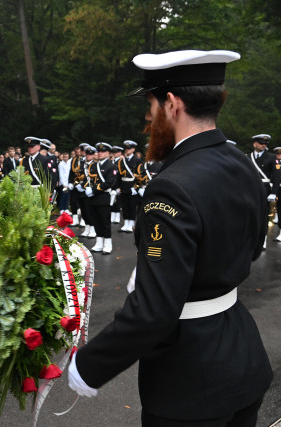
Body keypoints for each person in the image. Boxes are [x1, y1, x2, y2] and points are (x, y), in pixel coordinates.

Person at [68, 49, 272, 426]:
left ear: (173, 104)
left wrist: (88, 365)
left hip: (191, 381)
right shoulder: (240, 162)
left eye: (150, 105)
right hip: (242, 356)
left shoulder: (172, 187)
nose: (147, 118)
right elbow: (255, 244)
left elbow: (154, 311)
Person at [87, 142, 117, 254]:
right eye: (98, 151)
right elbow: (89, 179)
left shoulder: (111, 166)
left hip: (103, 197)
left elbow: (109, 182)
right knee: (96, 221)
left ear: (108, 153)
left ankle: (108, 244)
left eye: (102, 151)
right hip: (93, 198)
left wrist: (93, 189)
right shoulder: (93, 165)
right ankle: (99, 243)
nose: (99, 153)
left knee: (105, 222)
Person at [249, 134, 277, 249]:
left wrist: (273, 192)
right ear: (254, 143)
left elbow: (276, 176)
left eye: (265, 144)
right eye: (261, 143)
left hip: (264, 189)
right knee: (251, 214)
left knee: (263, 216)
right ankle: (251, 238)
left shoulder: (271, 157)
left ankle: (263, 239)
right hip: (251, 189)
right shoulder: (248, 156)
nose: (264, 145)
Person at [118, 140, 143, 232]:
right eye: (126, 148)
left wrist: (136, 186)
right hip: (124, 184)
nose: (127, 150)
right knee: (124, 205)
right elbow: (119, 176)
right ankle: (126, 223)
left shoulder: (137, 160)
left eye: (129, 148)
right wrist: (118, 187)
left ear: (133, 149)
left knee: (132, 205)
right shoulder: (122, 161)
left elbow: (140, 174)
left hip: (133, 186)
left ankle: (131, 224)